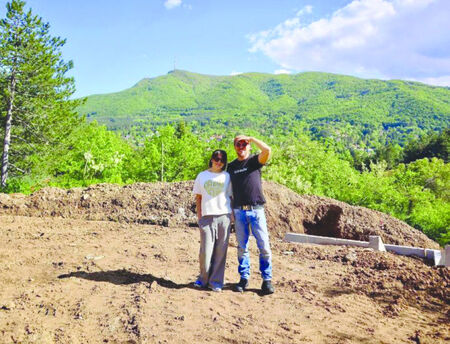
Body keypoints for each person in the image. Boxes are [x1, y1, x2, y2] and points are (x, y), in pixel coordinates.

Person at [227, 135, 274, 295]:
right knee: (242, 247)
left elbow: (267, 150)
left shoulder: (254, 161)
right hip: (239, 211)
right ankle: (244, 278)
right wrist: (231, 211)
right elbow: (229, 191)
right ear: (235, 147)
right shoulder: (231, 167)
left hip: (256, 210)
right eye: (238, 144)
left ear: (249, 146)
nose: (241, 147)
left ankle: (267, 280)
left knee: (264, 247)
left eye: (244, 144)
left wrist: (252, 139)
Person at [192, 149, 232, 292]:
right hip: (207, 217)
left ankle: (216, 282)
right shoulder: (202, 176)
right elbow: (198, 198)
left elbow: (230, 197)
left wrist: (231, 217)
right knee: (206, 251)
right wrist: (200, 217)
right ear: (211, 159)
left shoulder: (227, 177)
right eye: (216, 158)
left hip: (224, 216)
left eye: (222, 160)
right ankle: (203, 278)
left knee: (221, 251)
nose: (218, 162)